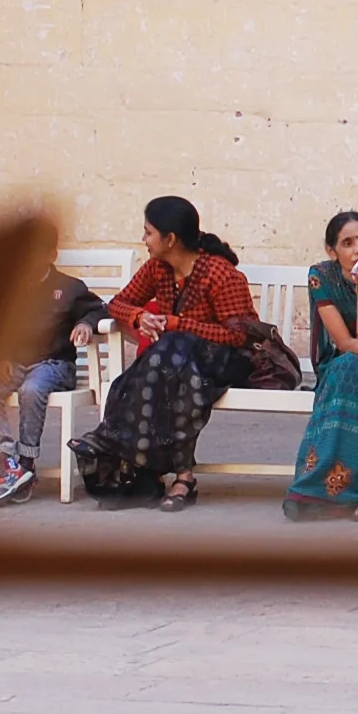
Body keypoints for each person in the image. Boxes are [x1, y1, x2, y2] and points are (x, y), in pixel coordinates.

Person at [66, 196, 255, 511]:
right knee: (180, 371)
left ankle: (113, 440)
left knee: (174, 346)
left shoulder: (220, 274)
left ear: (170, 239)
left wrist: (178, 324)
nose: (144, 240)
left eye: (148, 233)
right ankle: (176, 477)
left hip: (229, 360)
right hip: (180, 367)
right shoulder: (158, 268)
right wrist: (141, 317)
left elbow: (238, 336)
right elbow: (118, 303)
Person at [281, 211, 358, 521]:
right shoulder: (320, 277)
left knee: (353, 371)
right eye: (348, 243)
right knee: (347, 367)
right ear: (331, 251)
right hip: (341, 360)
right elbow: (343, 342)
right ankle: (314, 486)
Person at [0, 256, 109, 507]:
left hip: (55, 365)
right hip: (16, 364)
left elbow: (100, 309)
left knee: (31, 390)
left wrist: (86, 323)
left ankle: (27, 463)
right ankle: (8, 465)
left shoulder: (69, 288)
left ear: (50, 254)